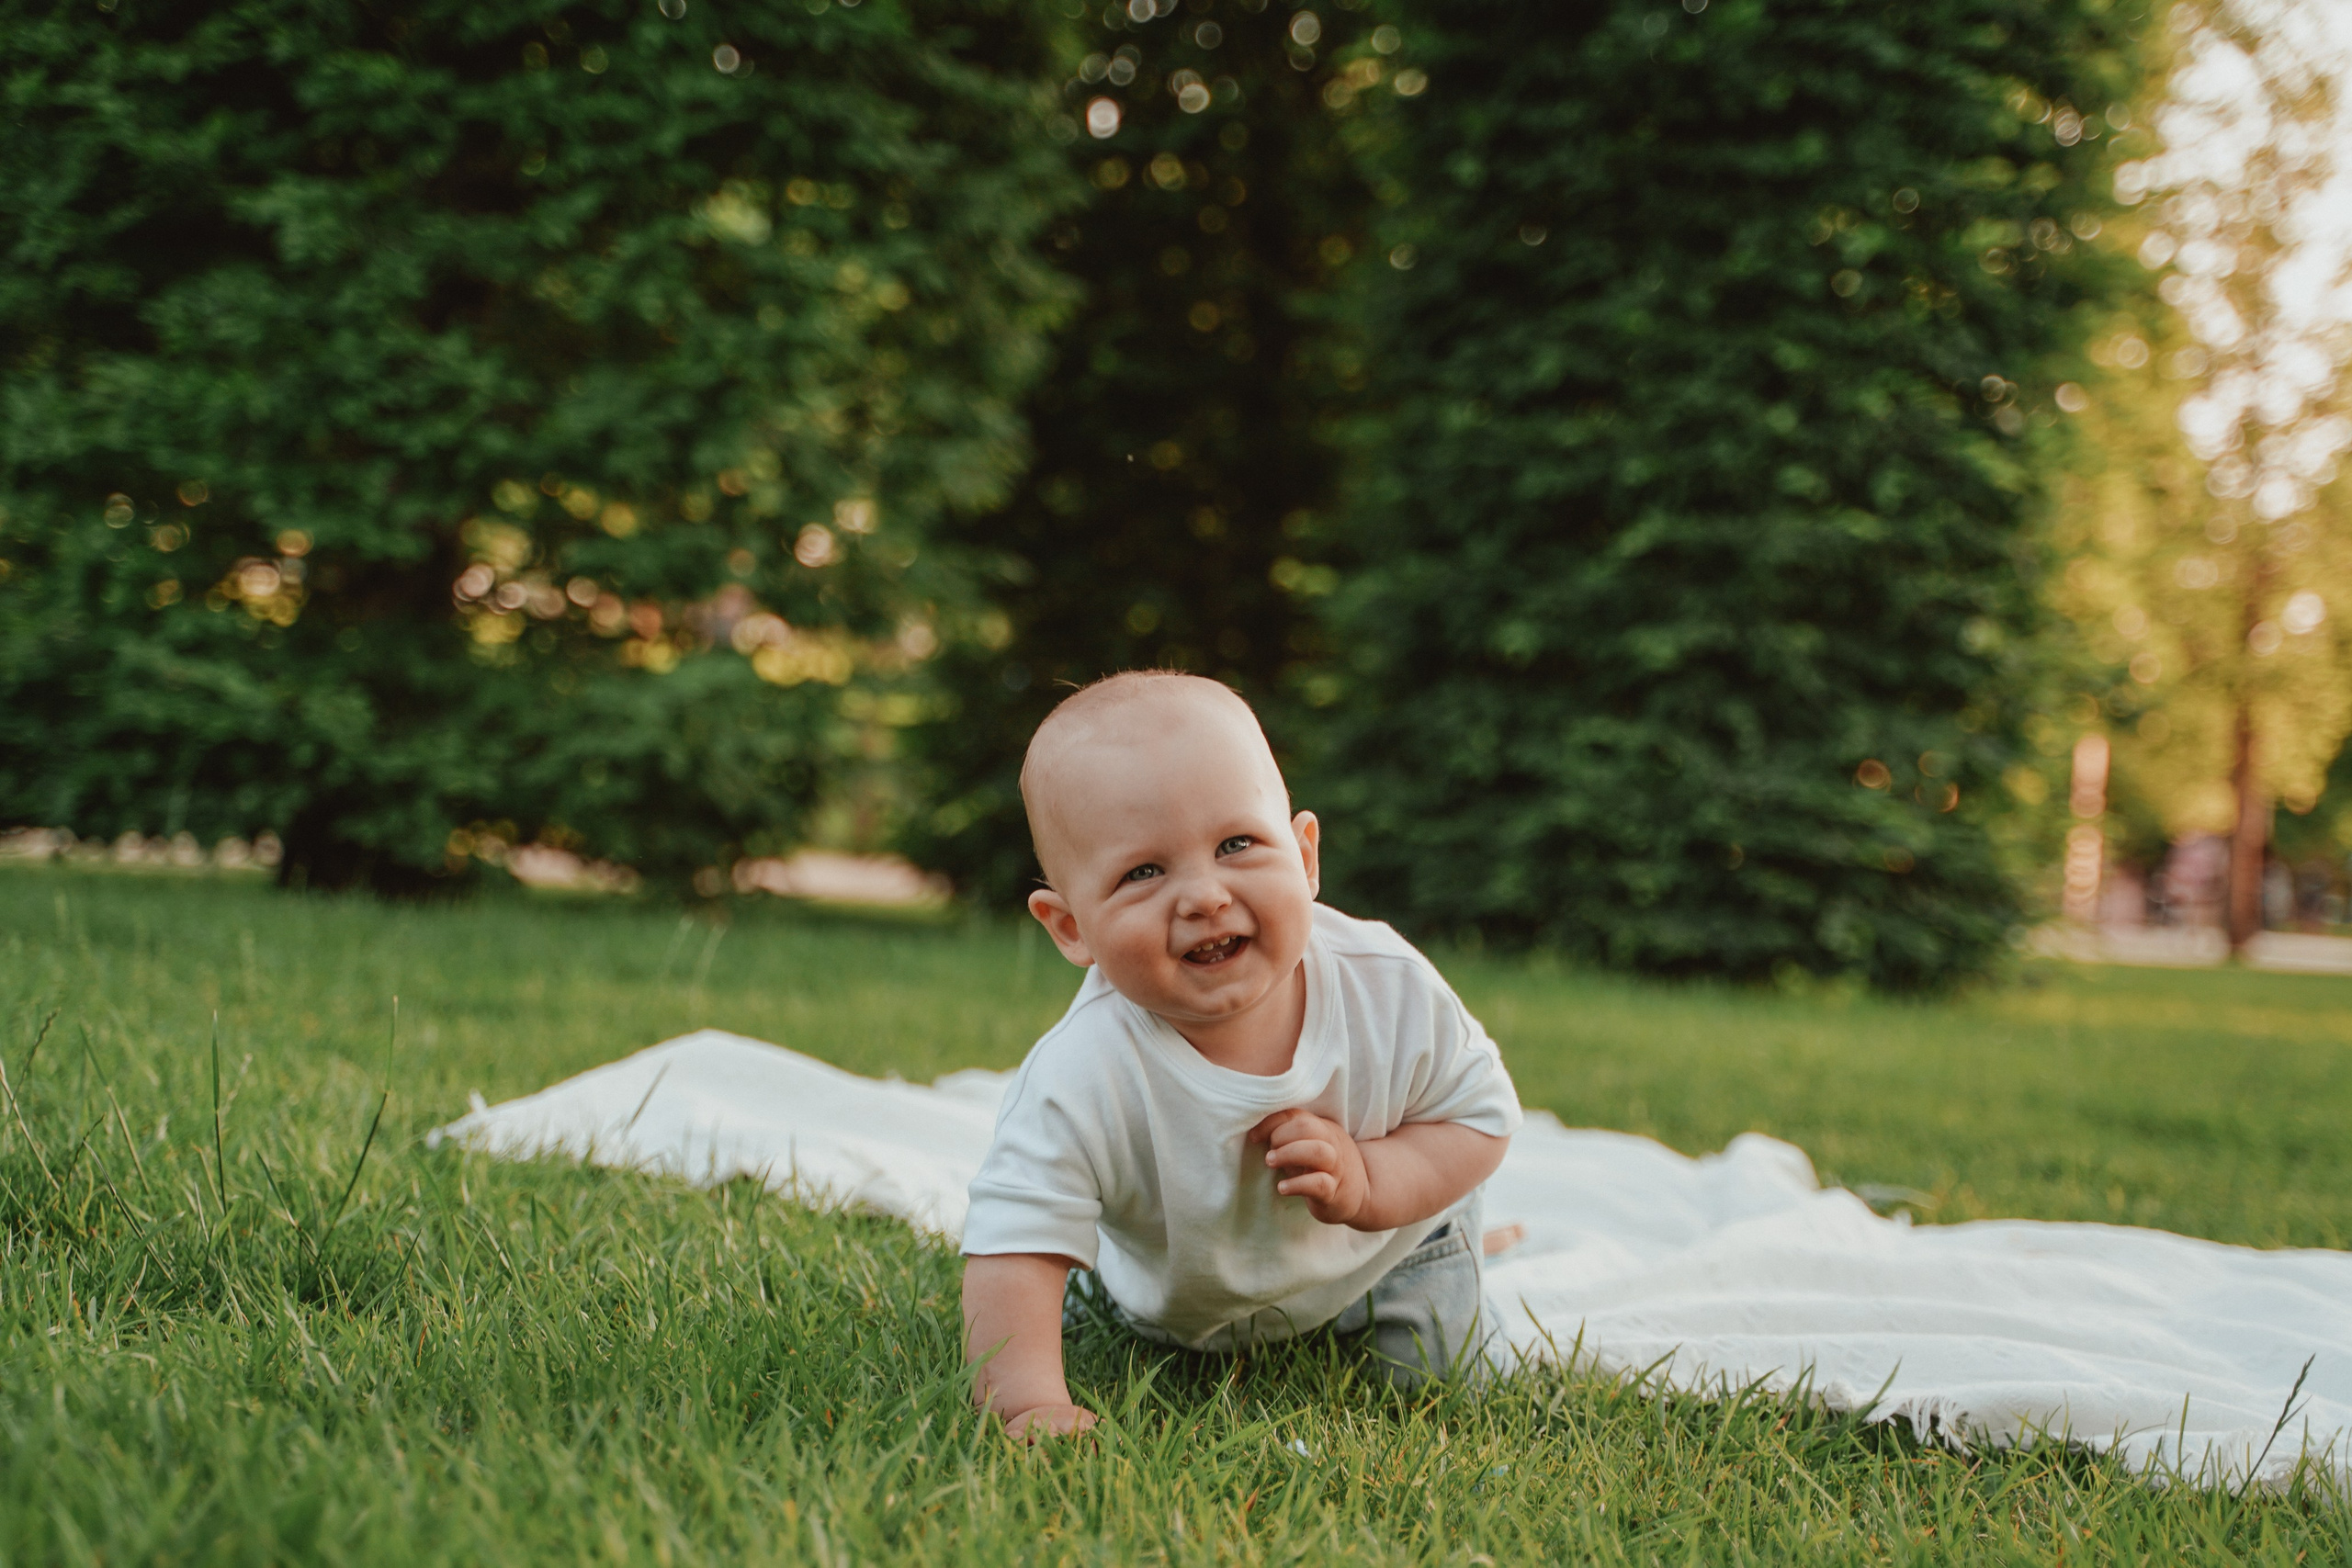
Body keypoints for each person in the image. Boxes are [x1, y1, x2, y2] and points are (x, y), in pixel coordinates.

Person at [961, 671, 1523, 1439]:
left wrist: (1371, 1181)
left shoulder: (1386, 988)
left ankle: (1467, 1259)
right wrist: (1026, 1400)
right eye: (1143, 872)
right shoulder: (1080, 1073)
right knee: (1101, 1315)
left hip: (1388, 1255)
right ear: (1071, 928)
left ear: (1305, 854)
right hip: (1181, 1298)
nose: (1203, 895)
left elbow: (1481, 1115)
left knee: (1443, 1387)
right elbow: (1014, 1240)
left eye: (1237, 844)